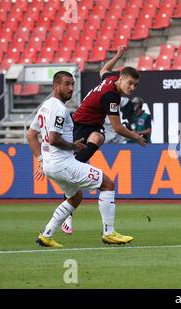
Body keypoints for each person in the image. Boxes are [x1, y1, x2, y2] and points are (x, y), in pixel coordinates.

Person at [26, 71, 134, 247]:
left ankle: (46, 235)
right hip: (63, 164)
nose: (71, 88)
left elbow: (31, 134)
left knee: (75, 198)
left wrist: (40, 159)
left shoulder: (45, 106)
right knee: (107, 184)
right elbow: (53, 138)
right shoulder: (60, 109)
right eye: (67, 84)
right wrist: (73, 146)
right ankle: (109, 232)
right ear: (56, 86)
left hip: (50, 165)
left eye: (72, 85)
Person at [61, 46, 147, 234]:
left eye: (135, 86)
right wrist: (136, 137)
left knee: (99, 137)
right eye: (130, 83)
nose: (131, 88)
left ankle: (75, 167)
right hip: (78, 124)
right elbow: (117, 127)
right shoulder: (111, 96)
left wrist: (116, 56)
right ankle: (67, 209)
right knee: (93, 144)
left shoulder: (111, 79)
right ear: (122, 78)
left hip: (93, 125)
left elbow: (103, 70)